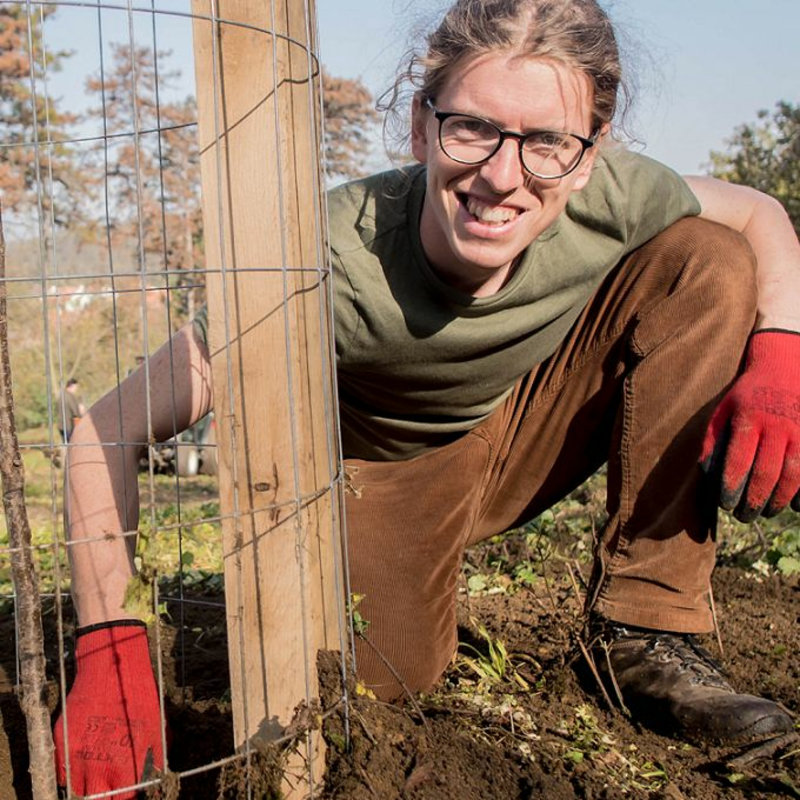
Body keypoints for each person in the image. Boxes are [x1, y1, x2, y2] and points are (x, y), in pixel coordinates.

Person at [55, 0, 800, 795]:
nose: (504, 175)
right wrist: (108, 646)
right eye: (472, 127)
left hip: (527, 425)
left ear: (588, 157)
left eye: (547, 141)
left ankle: (646, 629)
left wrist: (783, 351)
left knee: (708, 259)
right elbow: (107, 428)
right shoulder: (327, 262)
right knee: (384, 682)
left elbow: (759, 213)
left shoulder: (610, 193)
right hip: (388, 469)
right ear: (420, 124)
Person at [57, 377, 86, 443]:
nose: (75, 390)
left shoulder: (61, 396)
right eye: (75, 387)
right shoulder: (70, 397)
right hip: (69, 426)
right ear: (71, 386)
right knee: (72, 446)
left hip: (62, 426)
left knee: (66, 445)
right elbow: (75, 412)